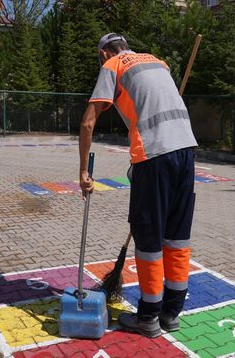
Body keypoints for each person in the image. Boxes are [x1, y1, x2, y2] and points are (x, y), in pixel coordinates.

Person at [79, 33, 198, 338]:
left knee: (148, 238)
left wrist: (83, 172)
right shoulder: (157, 61)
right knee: (176, 237)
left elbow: (88, 122)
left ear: (105, 53)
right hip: (186, 150)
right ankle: (171, 314)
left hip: (153, 156)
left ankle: (148, 318)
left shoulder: (113, 65)